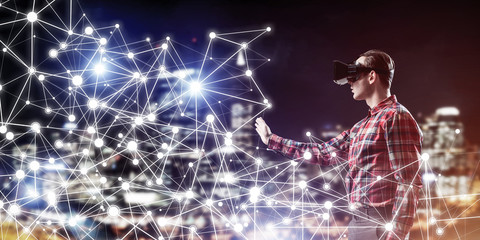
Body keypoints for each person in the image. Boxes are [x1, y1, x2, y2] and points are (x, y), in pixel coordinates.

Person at [255, 50, 423, 240]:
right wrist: (272, 140)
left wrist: (396, 235)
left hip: (381, 224)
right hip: (358, 222)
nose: (349, 82)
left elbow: (408, 181)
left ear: (371, 76)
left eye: (355, 75)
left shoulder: (396, 116)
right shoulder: (360, 127)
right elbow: (322, 152)